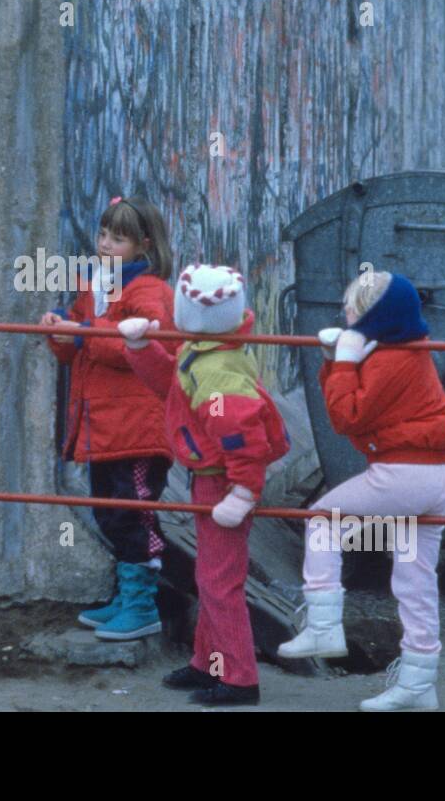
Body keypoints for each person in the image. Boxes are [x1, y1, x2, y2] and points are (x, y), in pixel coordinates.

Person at [276, 270, 445, 712]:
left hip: (401, 475)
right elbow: (357, 403)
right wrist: (336, 360)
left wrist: (340, 362)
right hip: (434, 477)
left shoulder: (388, 358)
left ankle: (323, 624)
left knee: (321, 518)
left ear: (376, 314)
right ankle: (419, 683)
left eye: (354, 307)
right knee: (416, 581)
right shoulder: (408, 350)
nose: (345, 313)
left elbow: (346, 417)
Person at [118, 265, 291, 706]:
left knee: (220, 582)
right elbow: (174, 388)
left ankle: (238, 677)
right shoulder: (208, 348)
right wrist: (141, 347)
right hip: (212, 478)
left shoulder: (215, 370)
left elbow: (241, 438)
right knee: (212, 576)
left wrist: (243, 492)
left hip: (221, 483)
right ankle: (208, 662)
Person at [40, 196, 176, 641]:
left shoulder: (150, 292)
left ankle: (142, 606)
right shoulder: (96, 284)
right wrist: (59, 330)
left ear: (144, 244)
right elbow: (77, 341)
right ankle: (127, 596)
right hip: (104, 427)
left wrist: (84, 336)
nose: (105, 244)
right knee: (109, 513)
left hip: (138, 428)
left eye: (118, 238)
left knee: (132, 515)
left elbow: (145, 349)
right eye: (102, 235)